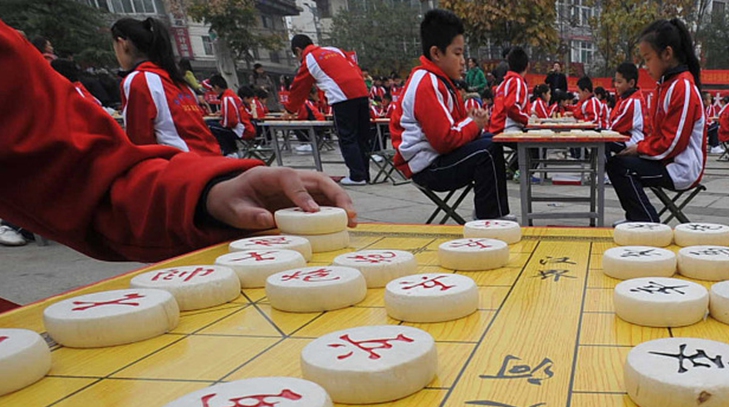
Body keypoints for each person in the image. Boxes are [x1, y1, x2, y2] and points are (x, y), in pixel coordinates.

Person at [0, 19, 354, 285]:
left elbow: (131, 143)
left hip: (184, 180)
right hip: (197, 170)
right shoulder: (176, 80)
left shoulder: (140, 80)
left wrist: (206, 194)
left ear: (121, 44)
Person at [392, 9, 508, 220]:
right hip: (428, 167)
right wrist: (473, 124)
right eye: (457, 53)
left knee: (494, 141)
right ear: (436, 53)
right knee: (487, 151)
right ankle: (488, 219)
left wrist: (471, 122)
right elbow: (445, 140)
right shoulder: (426, 83)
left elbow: (453, 127)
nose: (463, 61)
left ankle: (493, 212)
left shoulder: (441, 82)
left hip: (439, 157)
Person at [606, 19, 705, 223]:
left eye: (648, 59)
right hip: (667, 159)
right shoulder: (666, 85)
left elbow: (673, 143)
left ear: (667, 54)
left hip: (681, 166)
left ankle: (646, 221)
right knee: (617, 163)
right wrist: (641, 147)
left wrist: (640, 149)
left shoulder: (683, 87)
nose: (645, 67)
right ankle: (638, 218)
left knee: (620, 167)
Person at [111, 18, 221, 156]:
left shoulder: (139, 80)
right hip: (212, 159)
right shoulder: (179, 83)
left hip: (184, 166)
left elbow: (139, 142)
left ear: (122, 44)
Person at [285, 34, 372, 185]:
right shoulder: (334, 50)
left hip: (342, 99)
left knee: (348, 137)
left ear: (298, 50)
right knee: (362, 137)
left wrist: (290, 110)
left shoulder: (310, 59)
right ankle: (365, 174)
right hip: (362, 94)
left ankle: (357, 176)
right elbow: (355, 69)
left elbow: (299, 87)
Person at [207, 74, 256, 157]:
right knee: (217, 126)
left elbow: (231, 122)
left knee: (211, 126)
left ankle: (229, 152)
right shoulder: (232, 95)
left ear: (216, 87)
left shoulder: (227, 98)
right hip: (247, 128)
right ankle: (234, 150)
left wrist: (221, 121)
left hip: (242, 131)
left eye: (212, 87)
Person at [488, 47, 531, 134]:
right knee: (536, 145)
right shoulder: (517, 81)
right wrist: (528, 119)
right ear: (527, 65)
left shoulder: (504, 83)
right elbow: (512, 107)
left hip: (497, 128)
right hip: (508, 129)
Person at [610, 62, 651, 152]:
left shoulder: (633, 101)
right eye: (615, 81)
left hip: (634, 142)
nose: (616, 85)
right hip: (627, 138)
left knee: (605, 143)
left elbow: (615, 125)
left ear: (631, 83)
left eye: (619, 82)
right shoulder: (625, 99)